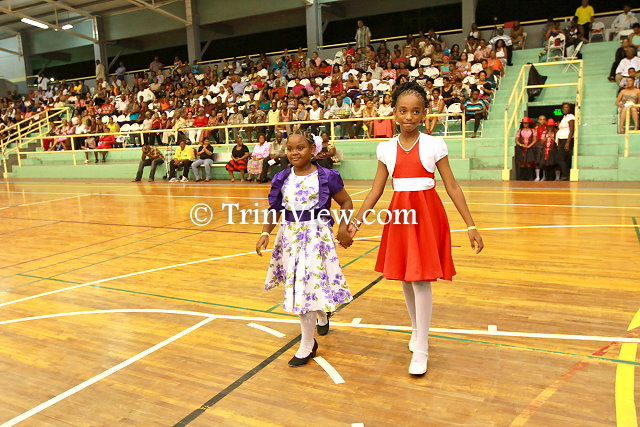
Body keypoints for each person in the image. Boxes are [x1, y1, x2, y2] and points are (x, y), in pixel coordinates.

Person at [346, 81, 483, 376]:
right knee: (407, 279)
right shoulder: (385, 149)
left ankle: (422, 347)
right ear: (394, 112)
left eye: (416, 111)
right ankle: (416, 328)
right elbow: (375, 190)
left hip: (427, 215)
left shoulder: (434, 145)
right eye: (403, 111)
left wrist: (470, 224)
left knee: (420, 279)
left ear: (424, 114)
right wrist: (355, 222)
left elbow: (452, 186)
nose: (409, 116)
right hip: (400, 216)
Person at [256, 129, 354, 367]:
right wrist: (265, 233)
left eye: (300, 148)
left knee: (305, 285)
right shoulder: (282, 178)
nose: (294, 153)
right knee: (305, 284)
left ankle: (307, 344)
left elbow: (346, 201)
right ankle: (321, 315)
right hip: (290, 238)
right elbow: (275, 209)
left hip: (316, 236)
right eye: (290, 149)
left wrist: (343, 227)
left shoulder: (326, 176)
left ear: (312, 150)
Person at [556, 103, 575, 181]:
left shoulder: (571, 117)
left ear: (570, 109)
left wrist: (567, 142)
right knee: (563, 158)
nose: (564, 109)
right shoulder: (564, 117)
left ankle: (565, 174)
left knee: (559, 158)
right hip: (561, 139)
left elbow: (571, 130)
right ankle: (565, 174)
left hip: (566, 139)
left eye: (567, 107)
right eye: (563, 107)